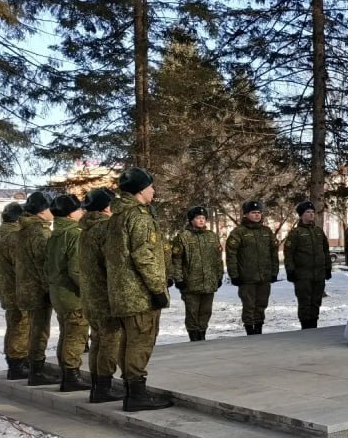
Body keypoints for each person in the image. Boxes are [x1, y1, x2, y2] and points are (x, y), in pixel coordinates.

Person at [105, 167, 173, 411]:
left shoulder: (117, 217)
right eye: (150, 186)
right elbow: (143, 256)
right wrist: (158, 289)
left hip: (122, 293)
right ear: (141, 190)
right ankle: (136, 394)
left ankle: (131, 390)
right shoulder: (139, 217)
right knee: (141, 341)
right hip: (139, 294)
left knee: (128, 341)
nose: (153, 190)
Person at [78, 187, 125, 403]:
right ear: (106, 208)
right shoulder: (106, 229)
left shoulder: (86, 230)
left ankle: (97, 385)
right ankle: (104, 387)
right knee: (110, 340)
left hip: (90, 294)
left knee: (97, 339)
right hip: (105, 294)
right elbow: (113, 263)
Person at [45, 194, 91, 392]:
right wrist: (90, 290)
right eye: (79, 209)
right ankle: (71, 376)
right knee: (76, 336)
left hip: (58, 293)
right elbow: (77, 270)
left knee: (66, 334)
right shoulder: (75, 234)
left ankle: (67, 373)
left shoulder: (55, 234)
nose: (82, 212)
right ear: (71, 214)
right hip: (73, 296)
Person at [15, 191, 60, 386]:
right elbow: (44, 265)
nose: (53, 212)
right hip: (38, 290)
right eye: (50, 208)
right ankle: (37, 371)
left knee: (34, 329)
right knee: (39, 331)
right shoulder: (40, 232)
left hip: (26, 287)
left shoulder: (24, 230)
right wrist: (51, 290)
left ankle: (34, 367)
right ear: (42, 211)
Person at [169, 206, 223, 341]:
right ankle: (194, 337)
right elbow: (176, 260)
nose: (201, 220)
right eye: (198, 218)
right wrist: (179, 279)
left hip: (209, 282)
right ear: (191, 220)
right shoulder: (183, 237)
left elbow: (218, 259)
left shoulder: (211, 236)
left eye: (203, 218)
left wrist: (219, 276)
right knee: (192, 312)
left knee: (206, 311)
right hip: (190, 283)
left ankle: (202, 334)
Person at [226, 199, 279, 334]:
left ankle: (259, 328)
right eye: (253, 212)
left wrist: (274, 272)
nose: (257, 215)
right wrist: (234, 275)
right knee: (249, 305)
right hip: (247, 277)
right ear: (246, 214)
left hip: (264, 276)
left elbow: (274, 253)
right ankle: (250, 330)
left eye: (259, 212)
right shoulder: (239, 232)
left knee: (262, 304)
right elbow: (231, 255)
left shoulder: (266, 232)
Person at [0, 202, 30, 380]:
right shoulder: (14, 239)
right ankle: (17, 364)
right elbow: (21, 267)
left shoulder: (5, 237)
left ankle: (15, 360)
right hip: (17, 290)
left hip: (8, 289)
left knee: (15, 324)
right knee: (20, 325)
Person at [284, 200, 332, 328]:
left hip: (319, 274)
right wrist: (290, 270)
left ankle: (313, 326)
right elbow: (289, 253)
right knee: (305, 302)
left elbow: (325, 251)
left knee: (316, 301)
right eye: (307, 212)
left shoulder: (319, 232)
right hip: (303, 275)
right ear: (301, 215)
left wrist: (328, 268)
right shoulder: (295, 233)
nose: (311, 214)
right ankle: (305, 328)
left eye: (312, 212)